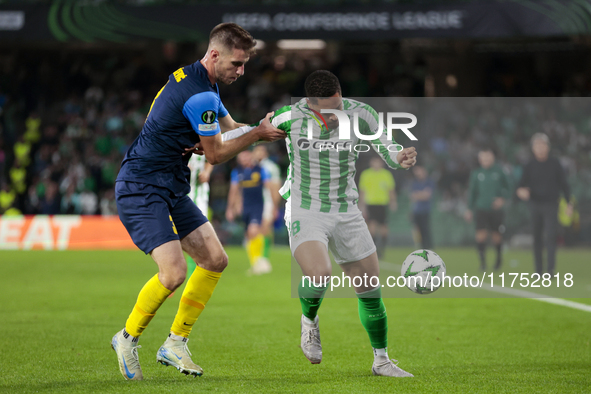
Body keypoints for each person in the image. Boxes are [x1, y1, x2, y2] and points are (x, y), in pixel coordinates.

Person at [111, 23, 284, 381]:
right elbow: (217, 155)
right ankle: (127, 338)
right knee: (173, 273)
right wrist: (255, 135)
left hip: (170, 185)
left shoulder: (199, 81)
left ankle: (175, 343)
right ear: (215, 54)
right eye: (236, 64)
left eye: (244, 64)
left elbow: (230, 126)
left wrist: (261, 128)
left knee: (215, 259)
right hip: (142, 187)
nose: (241, 71)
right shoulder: (200, 95)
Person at [221, 70, 418, 377]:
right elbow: (250, 133)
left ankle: (381, 361)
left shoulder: (360, 113)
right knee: (320, 273)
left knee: (369, 289)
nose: (335, 113)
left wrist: (400, 157)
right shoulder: (289, 117)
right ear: (310, 105)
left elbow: (386, 144)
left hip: (347, 209)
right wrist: (209, 144)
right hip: (305, 207)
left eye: (337, 105)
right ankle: (309, 322)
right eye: (327, 109)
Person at [516, 133, 572, 276]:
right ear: (533, 148)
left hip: (551, 204)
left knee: (551, 236)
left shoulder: (555, 164)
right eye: (537, 145)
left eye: (543, 145)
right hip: (535, 204)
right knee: (537, 237)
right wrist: (521, 192)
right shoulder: (529, 165)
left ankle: (550, 269)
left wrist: (569, 203)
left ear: (548, 147)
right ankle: (538, 270)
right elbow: (520, 186)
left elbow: (564, 185)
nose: (540, 148)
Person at [226, 150, 275, 274]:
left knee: (253, 231)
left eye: (246, 157)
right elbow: (234, 190)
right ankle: (255, 263)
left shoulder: (260, 170)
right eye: (241, 158)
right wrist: (230, 208)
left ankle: (260, 261)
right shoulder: (237, 172)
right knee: (248, 235)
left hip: (258, 205)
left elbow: (269, 187)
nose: (244, 160)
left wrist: (273, 206)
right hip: (245, 207)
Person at [464, 148, 511, 271]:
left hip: (495, 210)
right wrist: (469, 209)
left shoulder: (500, 172)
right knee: (480, 235)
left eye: (488, 157)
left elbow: (509, 187)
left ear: (493, 158)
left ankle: (498, 259)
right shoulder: (476, 173)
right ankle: (483, 263)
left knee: (496, 235)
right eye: (483, 158)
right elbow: (472, 192)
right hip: (481, 208)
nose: (486, 160)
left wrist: (502, 199)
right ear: (480, 160)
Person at [359, 156, 397, 259]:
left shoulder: (386, 174)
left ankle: (382, 249)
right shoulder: (366, 174)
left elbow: (391, 189)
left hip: (382, 203)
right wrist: (362, 205)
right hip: (371, 204)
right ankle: (374, 250)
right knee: (372, 227)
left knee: (384, 228)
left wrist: (393, 202)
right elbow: (362, 190)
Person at [185, 154, 214, 280]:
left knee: (198, 236)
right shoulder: (174, 138)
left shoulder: (203, 137)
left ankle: (193, 276)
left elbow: (213, 158)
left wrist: (207, 172)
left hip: (199, 195)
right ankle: (169, 274)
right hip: (179, 194)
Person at [252, 145, 282, 264]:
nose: (257, 153)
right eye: (256, 150)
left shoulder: (271, 167)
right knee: (253, 230)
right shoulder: (250, 166)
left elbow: (276, 186)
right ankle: (256, 259)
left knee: (265, 228)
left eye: (260, 150)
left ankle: (263, 258)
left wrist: (275, 206)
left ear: (265, 153)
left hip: (267, 201)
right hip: (253, 202)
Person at [410, 165, 434, 250]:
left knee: (425, 229)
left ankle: (428, 246)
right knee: (418, 230)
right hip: (416, 210)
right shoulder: (415, 182)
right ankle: (422, 246)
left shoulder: (429, 181)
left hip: (425, 210)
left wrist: (418, 195)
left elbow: (427, 195)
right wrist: (422, 194)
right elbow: (413, 196)